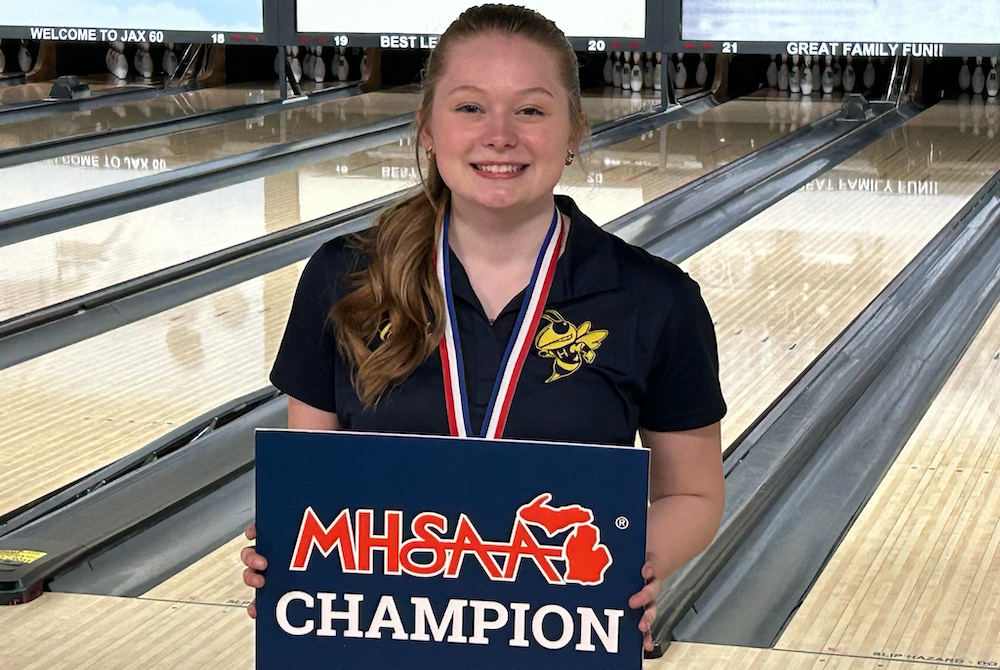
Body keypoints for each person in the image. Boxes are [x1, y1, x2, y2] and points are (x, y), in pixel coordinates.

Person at [242, 3, 726, 652]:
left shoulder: (655, 301)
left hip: (554, 640)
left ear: (574, 130)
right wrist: (290, 550)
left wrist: (626, 572)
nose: (500, 134)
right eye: (470, 107)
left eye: (530, 110)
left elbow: (693, 493)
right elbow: (315, 484)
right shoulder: (345, 279)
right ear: (427, 130)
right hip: (377, 648)